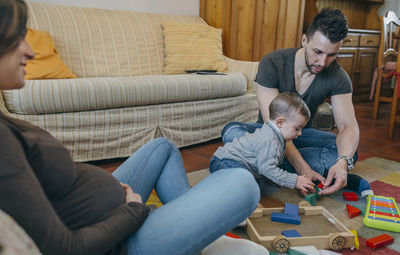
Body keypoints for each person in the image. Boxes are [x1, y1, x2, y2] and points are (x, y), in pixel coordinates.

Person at [0, 1, 269, 254]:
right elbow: (66, 249)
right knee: (243, 185)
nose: (30, 50)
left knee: (162, 147)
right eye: (17, 38)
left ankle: (194, 231)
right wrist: (132, 210)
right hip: (119, 242)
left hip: (106, 209)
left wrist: (112, 191)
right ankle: (194, 235)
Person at [221, 8, 367, 196]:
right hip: (267, 135)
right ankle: (274, 167)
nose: (322, 62)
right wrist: (303, 168)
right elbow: (274, 126)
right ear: (304, 40)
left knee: (348, 153)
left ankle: (261, 166)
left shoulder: (339, 77)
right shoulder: (272, 62)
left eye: (331, 55)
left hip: (301, 135)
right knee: (232, 132)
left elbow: (348, 126)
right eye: (318, 51)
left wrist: (342, 162)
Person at [210, 93, 316, 195]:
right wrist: (295, 180)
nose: (300, 133)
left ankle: (228, 183)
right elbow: (267, 169)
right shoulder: (270, 140)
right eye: (297, 128)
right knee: (248, 187)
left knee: (263, 185)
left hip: (236, 164)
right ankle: (221, 188)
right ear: (280, 123)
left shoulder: (273, 132)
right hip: (225, 163)